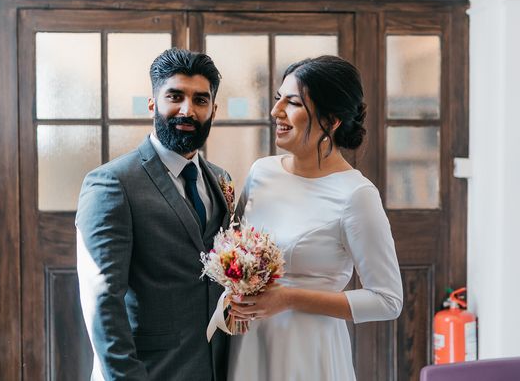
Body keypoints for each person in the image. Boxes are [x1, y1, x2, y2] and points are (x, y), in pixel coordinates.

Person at [227, 55, 403, 381]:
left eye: (292, 102)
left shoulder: (356, 194)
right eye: (278, 98)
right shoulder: (261, 172)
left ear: (331, 120)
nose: (276, 111)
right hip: (250, 344)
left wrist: (289, 298)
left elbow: (387, 300)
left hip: (309, 350)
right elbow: (235, 249)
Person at [76, 48, 232, 381]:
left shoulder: (222, 180)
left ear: (213, 110)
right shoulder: (112, 183)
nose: (187, 110)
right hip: (148, 370)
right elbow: (102, 301)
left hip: (214, 367)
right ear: (152, 104)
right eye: (175, 96)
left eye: (200, 100)